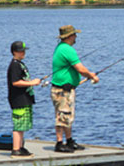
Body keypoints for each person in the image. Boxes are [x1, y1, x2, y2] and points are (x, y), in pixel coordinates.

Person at [51, 25, 99, 153]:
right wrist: (92, 75)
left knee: (68, 116)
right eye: (74, 34)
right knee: (62, 116)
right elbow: (80, 68)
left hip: (66, 89)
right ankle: (59, 143)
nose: (76, 37)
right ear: (69, 36)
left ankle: (69, 141)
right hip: (62, 90)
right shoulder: (67, 49)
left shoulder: (62, 48)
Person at [7, 41, 41, 158]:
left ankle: (21, 147)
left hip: (25, 99)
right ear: (14, 52)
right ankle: (16, 149)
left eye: (24, 50)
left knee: (23, 125)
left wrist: (34, 82)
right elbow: (15, 82)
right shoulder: (15, 65)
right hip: (18, 100)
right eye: (21, 51)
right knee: (19, 125)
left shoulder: (20, 64)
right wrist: (32, 83)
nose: (23, 53)